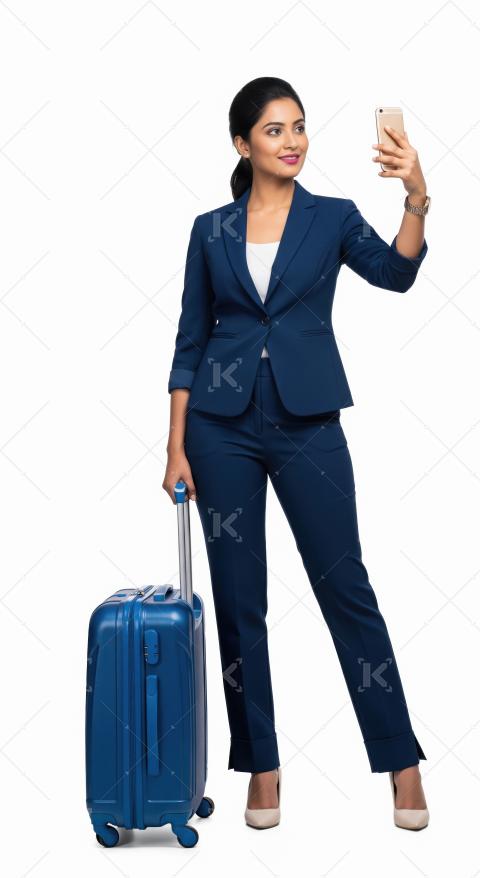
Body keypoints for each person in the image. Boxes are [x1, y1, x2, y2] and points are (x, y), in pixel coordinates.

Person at [163, 77, 430, 831]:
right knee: (239, 600)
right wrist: (177, 446)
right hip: (220, 428)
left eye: (300, 127)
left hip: (308, 422)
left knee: (346, 586)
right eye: (275, 130)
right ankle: (262, 765)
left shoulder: (333, 219)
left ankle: (401, 764)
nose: (293, 142)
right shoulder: (209, 230)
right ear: (244, 145)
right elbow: (189, 343)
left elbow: (399, 273)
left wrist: (415, 194)